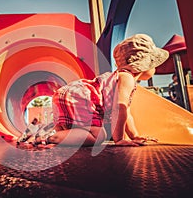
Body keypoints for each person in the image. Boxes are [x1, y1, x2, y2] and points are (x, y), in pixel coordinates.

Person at [20, 34, 169, 147]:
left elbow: (127, 113)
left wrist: (135, 135)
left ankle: (40, 131)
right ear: (142, 64)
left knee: (73, 132)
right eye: (152, 63)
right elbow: (120, 108)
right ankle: (48, 136)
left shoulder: (120, 76)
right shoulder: (127, 78)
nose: (154, 67)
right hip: (81, 97)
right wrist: (120, 139)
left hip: (70, 94)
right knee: (98, 136)